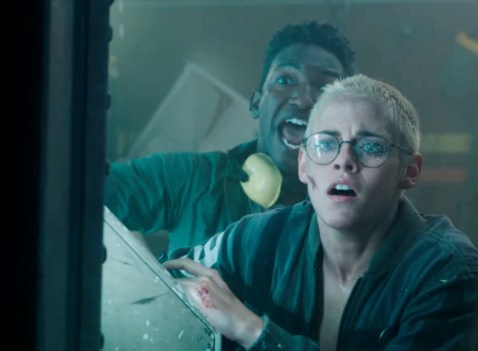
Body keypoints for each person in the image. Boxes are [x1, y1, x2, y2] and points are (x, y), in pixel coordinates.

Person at [163, 74, 478, 351]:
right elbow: (156, 288)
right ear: (304, 165)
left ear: (409, 171)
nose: (344, 161)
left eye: (371, 147)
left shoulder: (447, 271)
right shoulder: (259, 239)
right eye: (326, 144)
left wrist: (251, 332)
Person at [104, 20, 357, 256]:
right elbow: (92, 191)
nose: (303, 99)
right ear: (256, 102)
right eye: (285, 80)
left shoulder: (357, 214)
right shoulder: (191, 179)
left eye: (325, 88)